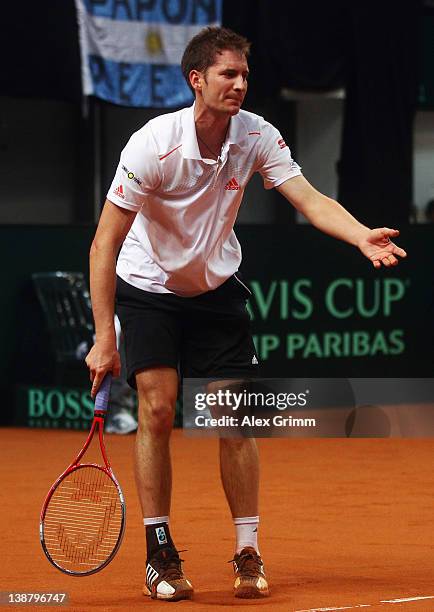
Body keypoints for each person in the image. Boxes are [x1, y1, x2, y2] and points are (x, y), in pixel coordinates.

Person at [85, 27, 407, 602]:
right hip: (148, 287)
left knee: (234, 417)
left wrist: (360, 236)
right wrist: (102, 336)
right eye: (228, 74)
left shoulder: (257, 134)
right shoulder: (150, 145)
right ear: (197, 80)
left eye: (244, 75)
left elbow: (307, 197)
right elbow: (105, 241)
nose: (239, 84)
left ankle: (247, 548)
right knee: (157, 409)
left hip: (216, 288)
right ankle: (160, 552)